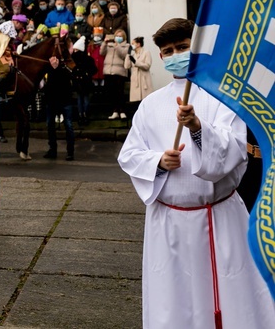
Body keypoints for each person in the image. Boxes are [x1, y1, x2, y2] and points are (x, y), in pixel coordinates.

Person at [117, 18, 275, 329]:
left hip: (217, 217)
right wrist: (158, 161)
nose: (175, 53)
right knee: (173, 303)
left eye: (182, 47)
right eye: (168, 50)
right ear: (161, 57)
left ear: (197, 48)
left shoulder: (224, 98)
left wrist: (197, 128)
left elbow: (233, 149)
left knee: (233, 298)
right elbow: (130, 155)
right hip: (169, 223)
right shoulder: (149, 105)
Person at [43, 41, 75, 161]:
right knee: (50, 124)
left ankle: (70, 151)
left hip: (65, 97)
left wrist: (57, 68)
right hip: (52, 98)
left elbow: (71, 74)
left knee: (68, 125)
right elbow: (48, 79)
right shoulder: (49, 61)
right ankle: (52, 149)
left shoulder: (68, 61)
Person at [101, 28, 130, 119]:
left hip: (119, 71)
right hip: (108, 71)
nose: (118, 38)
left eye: (120, 36)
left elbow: (123, 55)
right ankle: (115, 111)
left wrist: (117, 46)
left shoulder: (127, 46)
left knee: (119, 92)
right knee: (111, 92)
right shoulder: (110, 45)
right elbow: (101, 52)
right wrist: (104, 43)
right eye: (117, 36)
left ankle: (122, 111)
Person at [71, 36, 97, 125]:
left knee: (82, 98)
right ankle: (83, 115)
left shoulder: (75, 59)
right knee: (83, 98)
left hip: (82, 81)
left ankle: (82, 114)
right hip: (83, 81)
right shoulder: (87, 59)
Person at [125, 36, 153, 105]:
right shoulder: (133, 55)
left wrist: (136, 62)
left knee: (146, 101)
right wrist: (128, 54)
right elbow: (126, 66)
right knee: (136, 103)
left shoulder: (146, 53)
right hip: (135, 81)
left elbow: (147, 66)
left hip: (144, 80)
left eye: (133, 43)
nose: (132, 45)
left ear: (138, 44)